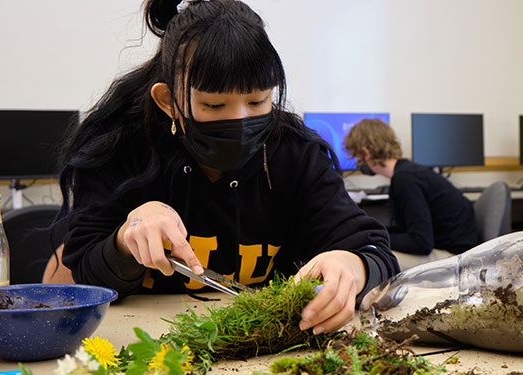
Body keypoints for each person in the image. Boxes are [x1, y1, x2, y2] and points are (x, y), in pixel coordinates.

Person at [53, 0, 399, 335]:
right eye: (215, 104)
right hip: (143, 346)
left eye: (257, 100)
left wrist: (353, 266)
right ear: (169, 101)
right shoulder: (118, 151)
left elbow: (374, 251)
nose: (240, 119)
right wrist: (125, 240)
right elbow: (86, 275)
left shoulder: (297, 154)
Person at [344, 118, 478, 270]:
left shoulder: (405, 179)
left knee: (369, 261)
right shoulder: (408, 172)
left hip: (455, 257)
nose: (356, 161)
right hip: (451, 247)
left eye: (356, 156)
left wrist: (374, 238)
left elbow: (421, 242)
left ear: (365, 152)